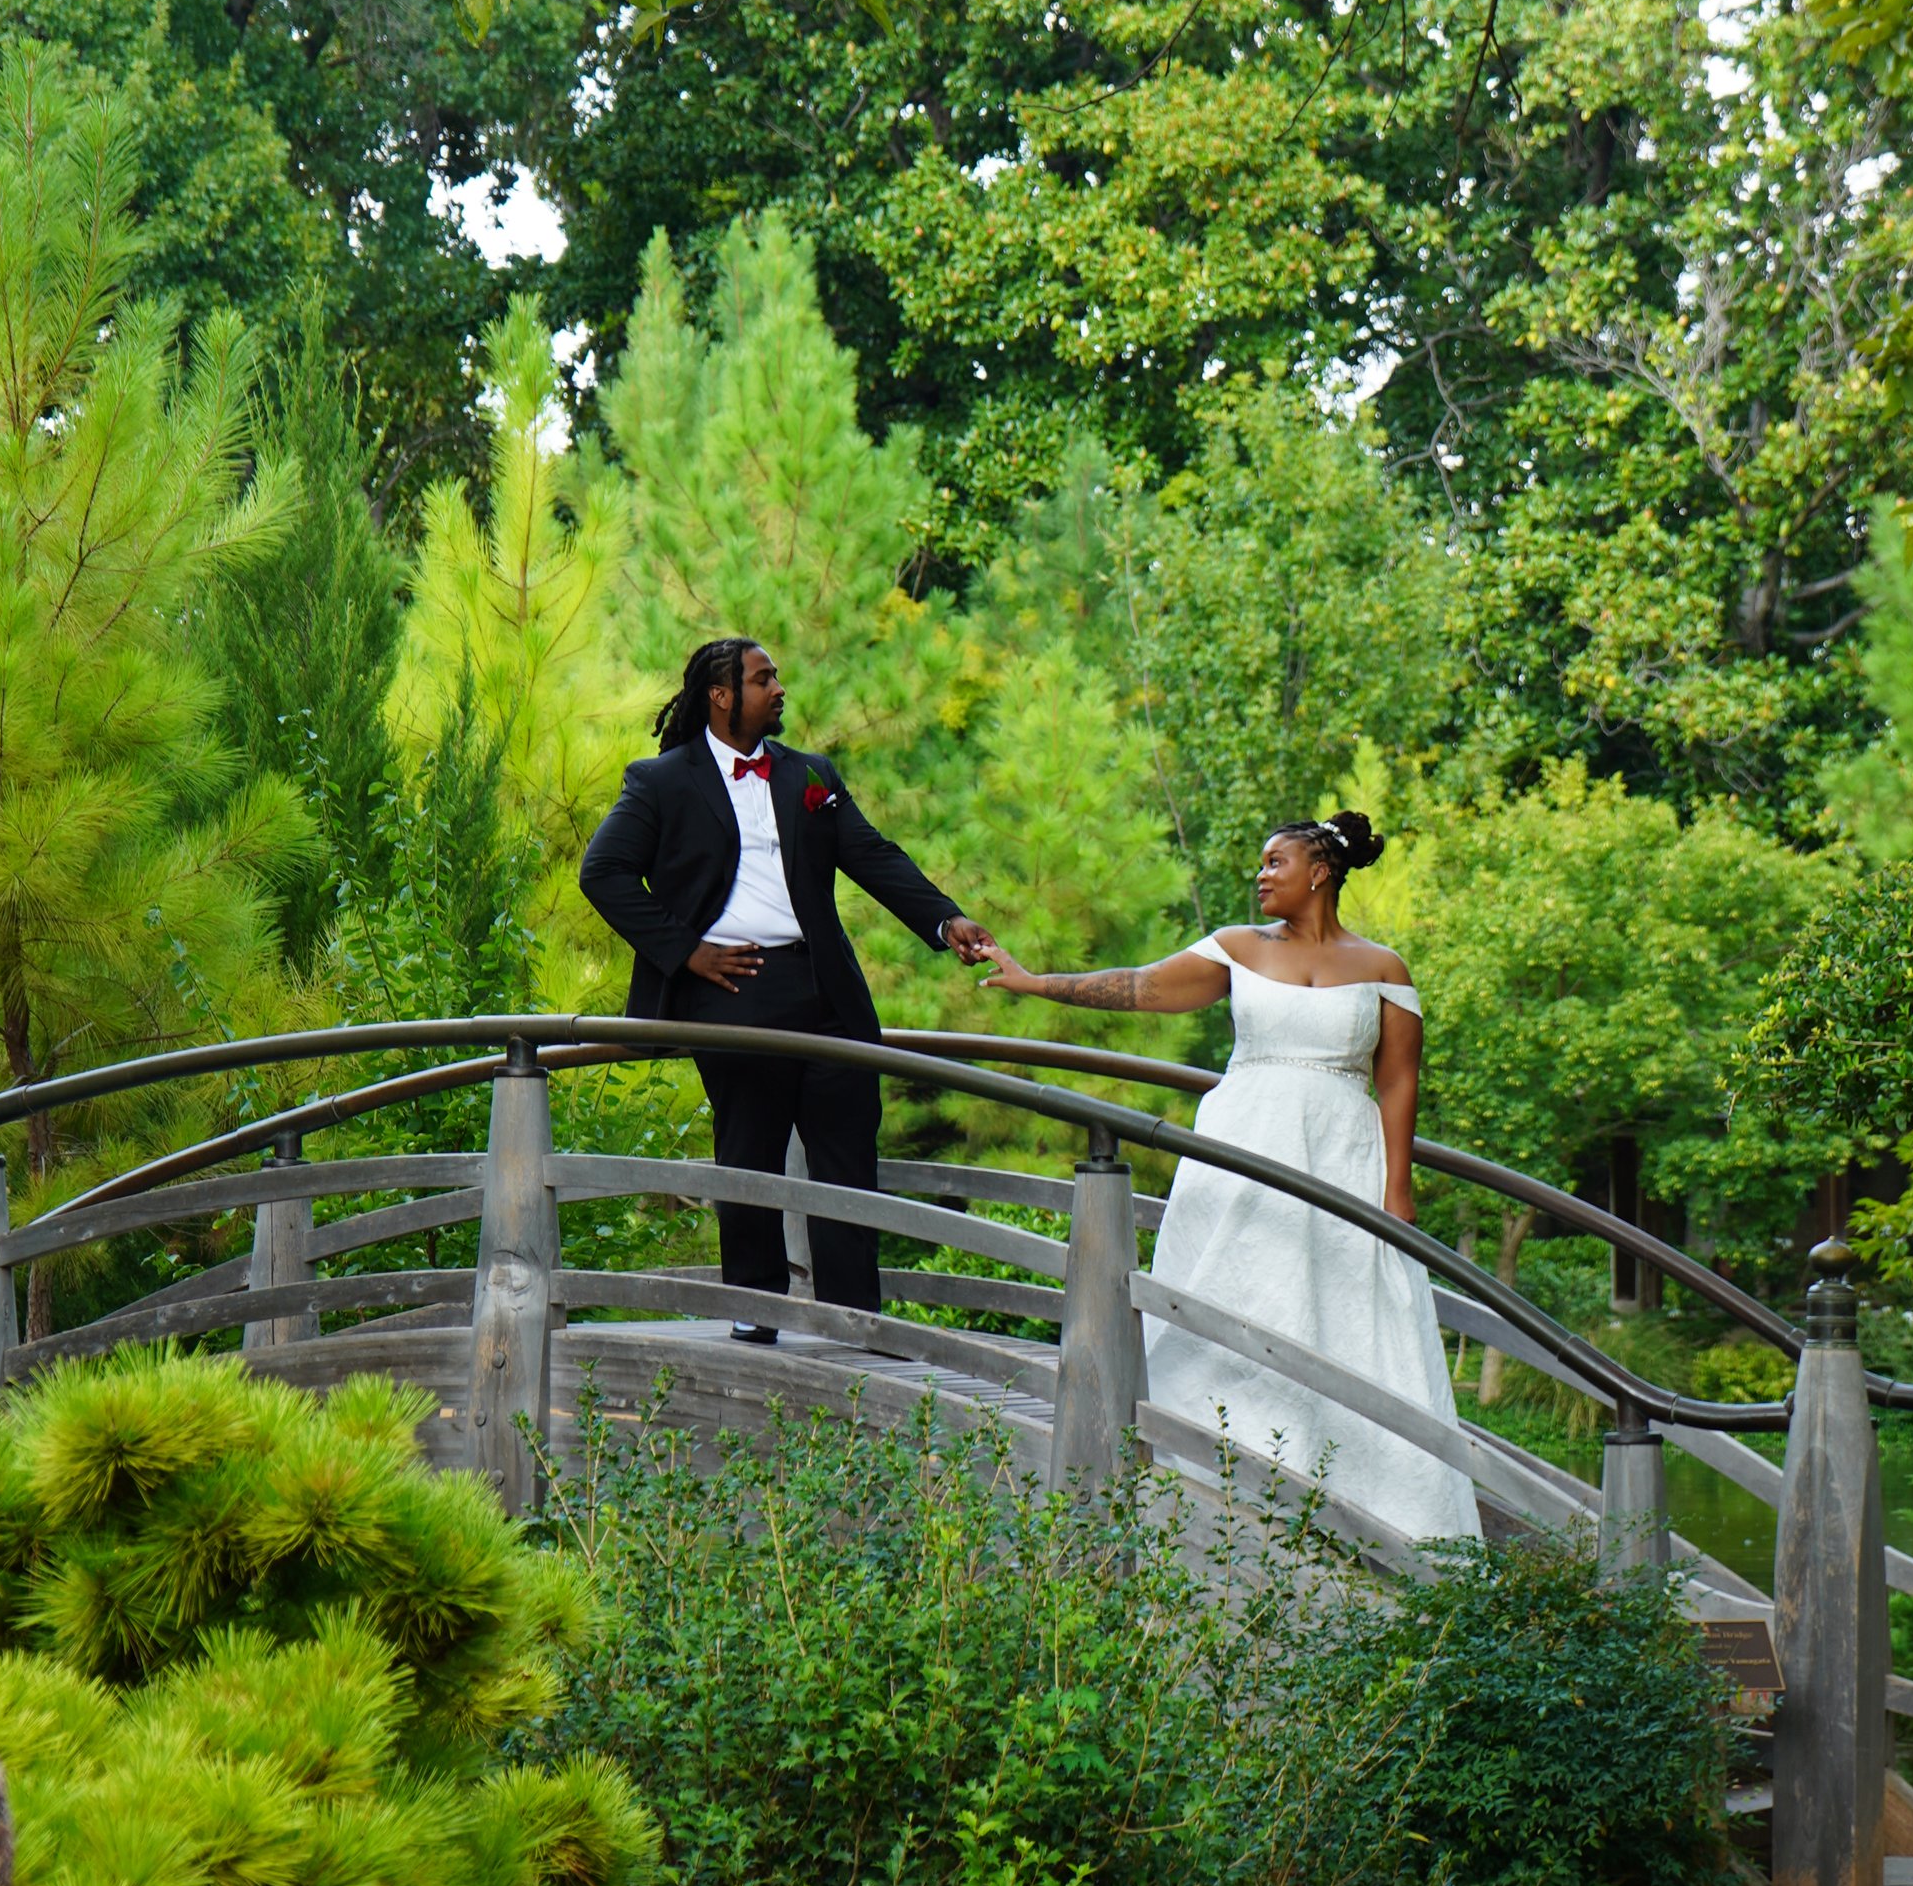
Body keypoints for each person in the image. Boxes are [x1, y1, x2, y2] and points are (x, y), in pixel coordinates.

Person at [981, 815, 1480, 1547]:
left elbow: (1399, 1081)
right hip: (1246, 1141)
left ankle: (1367, 1506)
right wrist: (1034, 983)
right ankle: (1211, 1471)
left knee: (1341, 1306)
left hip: (1341, 1153)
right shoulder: (1239, 947)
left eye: (1276, 861)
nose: (1261, 873)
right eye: (1261, 863)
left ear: (1320, 872)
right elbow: (1141, 988)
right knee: (1240, 1285)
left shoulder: (1384, 968)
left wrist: (1397, 1190)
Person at [578, 635, 995, 1331]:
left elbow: (871, 855)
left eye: (776, 677)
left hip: (826, 988)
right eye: (762, 678)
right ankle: (755, 1308)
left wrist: (944, 920)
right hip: (735, 989)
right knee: (750, 1152)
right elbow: (604, 874)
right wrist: (686, 953)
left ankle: (854, 1319)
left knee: (847, 1158)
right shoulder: (662, 781)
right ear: (720, 695)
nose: (779, 689)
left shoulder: (810, 775)